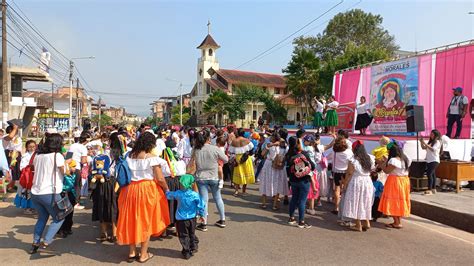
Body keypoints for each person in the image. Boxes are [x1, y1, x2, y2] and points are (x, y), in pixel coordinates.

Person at [116, 132, 170, 263]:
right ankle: (143, 254)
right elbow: (160, 178)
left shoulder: (129, 155)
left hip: (129, 190)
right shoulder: (151, 158)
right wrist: (167, 189)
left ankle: (132, 252)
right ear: (151, 144)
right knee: (146, 221)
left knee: (132, 220)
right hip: (147, 190)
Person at [29, 133, 67, 254]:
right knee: (59, 217)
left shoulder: (38, 156)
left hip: (35, 193)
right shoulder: (57, 156)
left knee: (42, 218)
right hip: (49, 193)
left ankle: (35, 242)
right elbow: (65, 172)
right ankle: (46, 241)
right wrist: (69, 165)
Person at [193, 130, 228, 231]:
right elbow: (225, 159)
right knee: (218, 197)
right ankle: (222, 219)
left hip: (201, 177)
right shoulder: (214, 148)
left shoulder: (196, 149)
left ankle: (204, 223)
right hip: (214, 176)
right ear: (208, 138)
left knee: (204, 199)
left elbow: (192, 162)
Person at [166, 175, 205, 260]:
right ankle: (194, 246)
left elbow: (169, 195)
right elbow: (201, 205)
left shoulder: (179, 193)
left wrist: (166, 190)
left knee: (183, 235)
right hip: (192, 218)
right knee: (192, 232)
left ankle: (186, 251)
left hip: (181, 219)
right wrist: (201, 215)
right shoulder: (195, 195)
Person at [341, 140, 375, 232]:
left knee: (355, 201)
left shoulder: (353, 159)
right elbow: (372, 170)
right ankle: (366, 222)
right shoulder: (370, 158)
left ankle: (358, 224)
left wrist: (345, 184)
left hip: (356, 181)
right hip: (367, 181)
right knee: (365, 201)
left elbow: (349, 173)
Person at [91, 133, 118, 243]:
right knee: (113, 207)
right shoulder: (119, 154)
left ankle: (103, 232)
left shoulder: (101, 153)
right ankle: (115, 234)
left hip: (100, 182)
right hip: (112, 182)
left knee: (101, 205)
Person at [378, 141, 411, 229]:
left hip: (395, 181)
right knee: (399, 200)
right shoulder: (406, 158)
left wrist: (381, 163)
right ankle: (397, 221)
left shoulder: (394, 160)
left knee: (393, 200)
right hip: (404, 181)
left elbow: (386, 171)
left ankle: (397, 222)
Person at [285, 136, 316, 228]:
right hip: (304, 180)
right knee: (302, 201)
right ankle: (301, 222)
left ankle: (291, 218)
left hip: (293, 180)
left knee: (294, 198)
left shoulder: (289, 154)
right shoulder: (304, 154)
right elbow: (312, 166)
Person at [259, 132, 288, 210]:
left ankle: (264, 203)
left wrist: (271, 145)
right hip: (278, 166)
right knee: (277, 184)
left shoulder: (269, 145)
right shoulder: (284, 147)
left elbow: (262, 154)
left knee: (265, 182)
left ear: (274, 138)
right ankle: (274, 205)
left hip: (268, 164)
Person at [329, 137, 353, 215]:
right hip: (346, 172)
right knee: (346, 189)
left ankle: (336, 207)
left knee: (337, 189)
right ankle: (345, 208)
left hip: (336, 171)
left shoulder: (334, 152)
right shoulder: (349, 152)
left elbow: (328, 158)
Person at [230, 128, 255, 196]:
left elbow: (231, 151)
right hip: (246, 159)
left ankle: (236, 191)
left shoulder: (234, 141)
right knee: (245, 174)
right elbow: (252, 149)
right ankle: (243, 191)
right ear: (243, 133)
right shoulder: (247, 140)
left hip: (238, 159)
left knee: (237, 175)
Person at [313, 134, 336, 207]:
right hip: (320, 169)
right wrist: (334, 138)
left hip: (313, 169)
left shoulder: (309, 147)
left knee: (313, 185)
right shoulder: (320, 147)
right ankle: (318, 201)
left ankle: (312, 200)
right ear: (318, 139)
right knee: (320, 185)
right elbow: (330, 145)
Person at [68, 133, 89, 209]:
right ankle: (76, 202)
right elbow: (83, 161)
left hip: (70, 167)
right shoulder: (83, 148)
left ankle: (71, 201)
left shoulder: (72, 145)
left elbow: (68, 157)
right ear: (86, 141)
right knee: (77, 185)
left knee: (71, 185)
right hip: (77, 167)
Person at [16, 140, 37, 214]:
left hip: (35, 177)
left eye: (33, 146)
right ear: (27, 148)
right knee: (26, 193)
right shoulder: (25, 156)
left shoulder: (37, 155)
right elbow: (22, 167)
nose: (32, 148)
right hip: (27, 178)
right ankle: (27, 208)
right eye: (30, 147)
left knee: (33, 193)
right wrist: (30, 167)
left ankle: (33, 207)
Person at [420, 129, 442, 195]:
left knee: (429, 174)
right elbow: (423, 148)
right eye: (431, 134)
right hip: (429, 160)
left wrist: (425, 143)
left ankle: (429, 189)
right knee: (432, 174)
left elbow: (433, 149)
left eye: (432, 134)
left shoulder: (437, 142)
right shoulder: (431, 142)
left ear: (436, 135)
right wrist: (421, 142)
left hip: (434, 160)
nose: (431, 135)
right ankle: (433, 189)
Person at [3, 124, 22, 192]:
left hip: (17, 155)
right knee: (9, 171)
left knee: (15, 171)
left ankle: (12, 185)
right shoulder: (5, 137)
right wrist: (15, 128)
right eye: (14, 130)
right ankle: (7, 186)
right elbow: (10, 137)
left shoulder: (18, 137)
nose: (16, 132)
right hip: (9, 155)